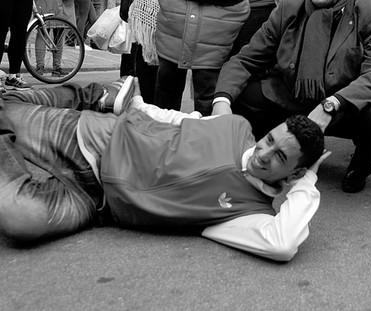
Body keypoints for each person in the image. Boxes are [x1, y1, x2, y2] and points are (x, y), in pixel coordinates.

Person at [0, 77, 327, 262]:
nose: (263, 153)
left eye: (280, 157)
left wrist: (307, 181)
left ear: (294, 174)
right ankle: (97, 95)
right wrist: (139, 107)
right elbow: (180, 120)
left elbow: (282, 245)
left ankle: (97, 95)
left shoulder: (249, 214)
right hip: (99, 138)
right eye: (269, 139)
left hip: (98, 204)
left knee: (19, 219)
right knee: (9, 107)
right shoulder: (237, 127)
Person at [212, 0, 371, 194]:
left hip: (340, 107)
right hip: (290, 96)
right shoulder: (290, 4)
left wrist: (332, 104)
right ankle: (257, 154)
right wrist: (222, 102)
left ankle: (362, 164)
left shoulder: (369, 9)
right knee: (243, 94)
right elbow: (246, 60)